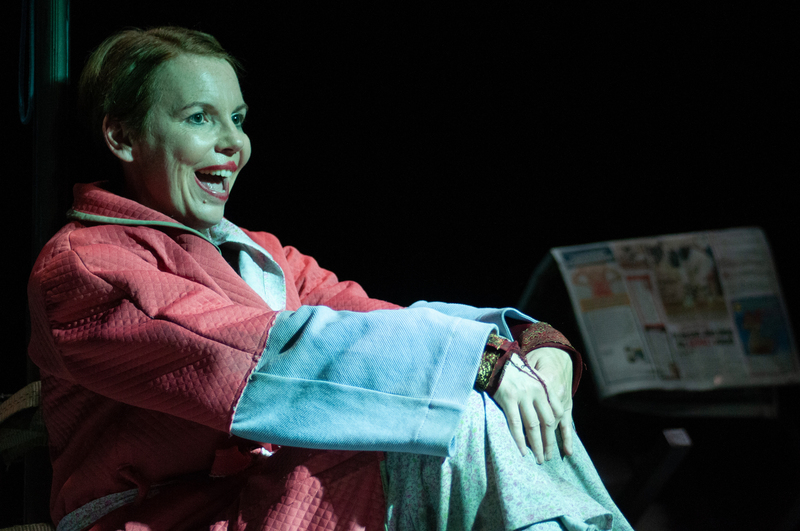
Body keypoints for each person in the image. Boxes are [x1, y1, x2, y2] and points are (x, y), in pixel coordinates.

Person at [27, 26, 633, 531]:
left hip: (266, 496)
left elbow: (373, 318)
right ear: (122, 136)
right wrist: (479, 360)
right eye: (199, 118)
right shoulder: (87, 267)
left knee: (485, 407)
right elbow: (253, 356)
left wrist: (524, 342)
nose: (234, 143)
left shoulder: (257, 253)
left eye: (237, 118)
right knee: (457, 417)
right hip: (167, 518)